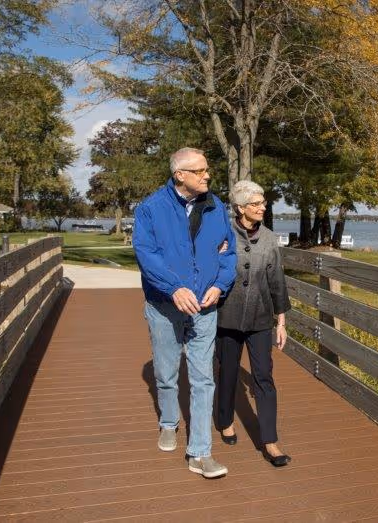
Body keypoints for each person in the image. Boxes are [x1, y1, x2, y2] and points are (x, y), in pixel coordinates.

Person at [133, 147, 237, 478]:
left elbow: (228, 251)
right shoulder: (151, 209)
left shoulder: (216, 206)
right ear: (181, 175)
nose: (208, 175)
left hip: (205, 307)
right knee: (165, 373)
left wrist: (219, 285)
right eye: (200, 170)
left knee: (204, 377)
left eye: (207, 170)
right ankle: (168, 422)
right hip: (164, 306)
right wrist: (174, 288)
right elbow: (146, 254)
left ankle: (200, 453)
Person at [216, 180, 292, 467]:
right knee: (229, 372)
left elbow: (277, 282)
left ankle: (270, 441)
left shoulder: (270, 239)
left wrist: (281, 321)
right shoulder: (223, 235)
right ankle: (224, 419)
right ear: (240, 208)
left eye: (263, 202)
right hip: (227, 316)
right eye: (256, 203)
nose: (263, 207)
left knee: (264, 376)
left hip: (260, 319)